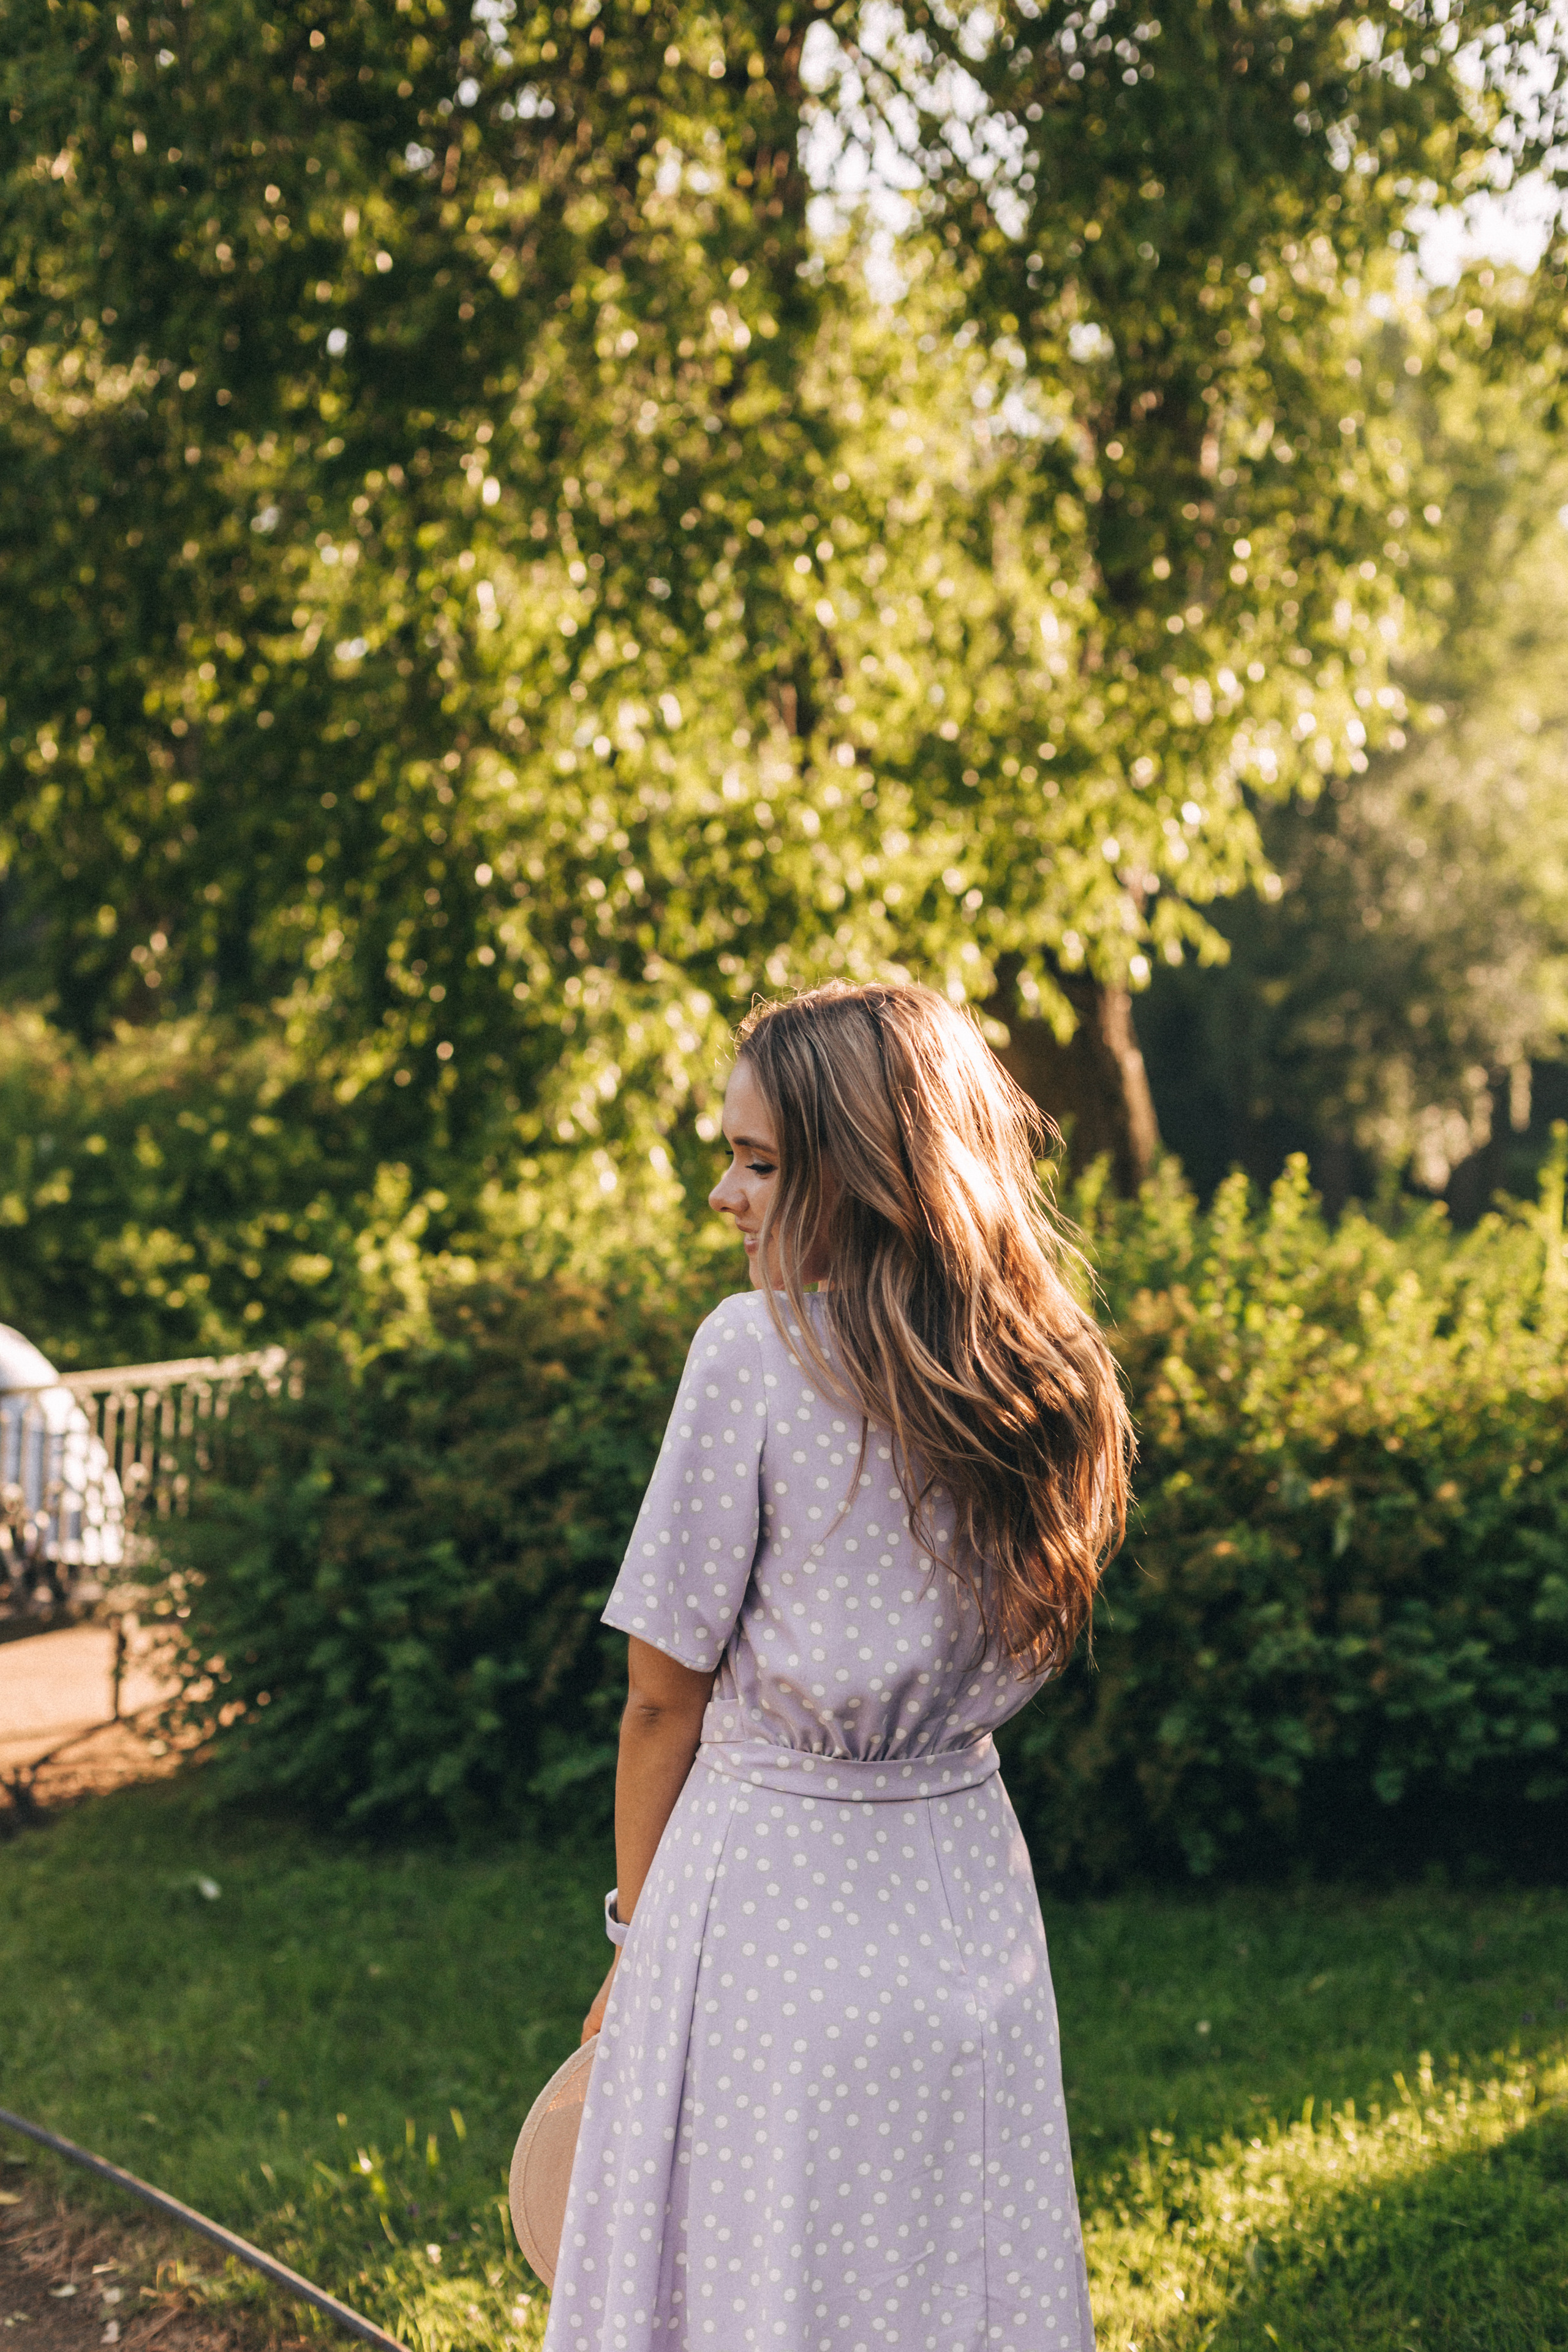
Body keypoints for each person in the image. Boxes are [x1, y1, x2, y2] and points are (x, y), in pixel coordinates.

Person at [543, 981, 1131, 2352]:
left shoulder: (747, 1356)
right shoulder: (1044, 1380)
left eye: (755, 1161)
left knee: (755, 2272)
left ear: (866, 1176)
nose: (720, 1195)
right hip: (962, 1890)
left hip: (761, 1904)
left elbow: (656, 1697)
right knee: (940, 2266)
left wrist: (632, 1941)